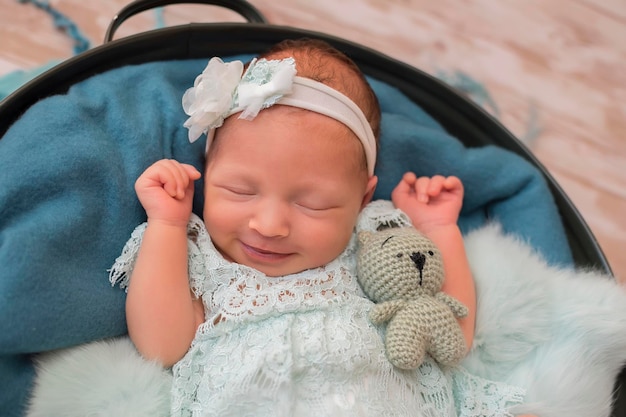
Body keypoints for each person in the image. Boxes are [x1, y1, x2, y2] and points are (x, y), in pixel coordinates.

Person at [110, 38, 533, 416]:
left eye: (312, 204)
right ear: (207, 170)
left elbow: (448, 328)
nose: (270, 225)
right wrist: (166, 223)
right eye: (240, 191)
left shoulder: (375, 241)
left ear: (362, 200)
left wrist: (439, 228)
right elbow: (161, 347)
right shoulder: (200, 255)